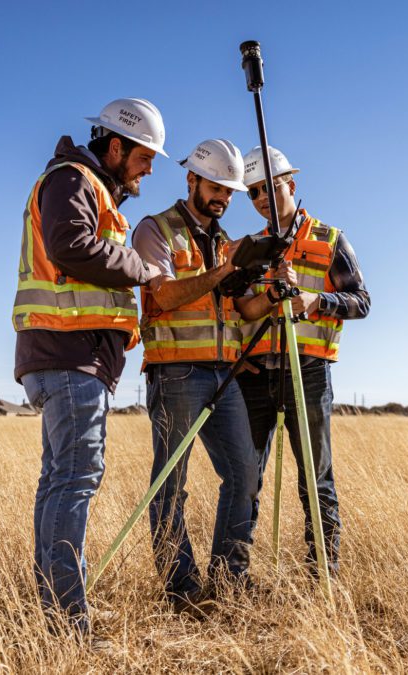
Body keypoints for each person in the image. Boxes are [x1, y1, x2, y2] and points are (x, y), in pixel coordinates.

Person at [12, 98, 167, 637]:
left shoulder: (92, 188)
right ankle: (64, 619)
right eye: (146, 157)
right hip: (68, 355)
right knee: (75, 480)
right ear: (117, 146)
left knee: (61, 481)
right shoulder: (73, 180)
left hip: (71, 356)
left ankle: (56, 607)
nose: (150, 168)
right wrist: (142, 270)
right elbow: (71, 246)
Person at [131, 139, 260, 613]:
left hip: (224, 374)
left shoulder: (224, 243)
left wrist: (269, 289)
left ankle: (228, 580)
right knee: (171, 481)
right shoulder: (156, 230)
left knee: (244, 474)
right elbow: (161, 297)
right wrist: (221, 272)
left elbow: (240, 309)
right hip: (177, 372)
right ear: (192, 180)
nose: (223, 198)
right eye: (216, 187)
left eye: (230, 192)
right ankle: (181, 589)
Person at [235, 146, 370, 576]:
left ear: (290, 186)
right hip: (255, 376)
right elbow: (234, 311)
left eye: (268, 190)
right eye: (253, 194)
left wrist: (315, 300)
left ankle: (322, 576)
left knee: (315, 478)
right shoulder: (250, 249)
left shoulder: (330, 239)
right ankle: (234, 576)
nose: (260, 201)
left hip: (308, 372)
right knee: (245, 479)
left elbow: (361, 302)